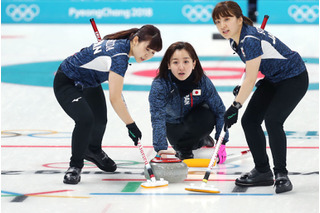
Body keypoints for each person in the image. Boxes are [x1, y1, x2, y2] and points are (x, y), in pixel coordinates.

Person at [212, 1, 309, 193]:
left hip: (294, 78)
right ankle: (263, 170)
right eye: (217, 21)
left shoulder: (249, 39)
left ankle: (281, 174)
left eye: (227, 19)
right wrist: (241, 92)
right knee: (249, 121)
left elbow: (250, 78)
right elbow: (252, 70)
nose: (222, 25)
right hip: (274, 79)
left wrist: (235, 105)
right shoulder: (235, 39)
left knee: (273, 120)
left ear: (240, 20)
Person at [54, 25, 163, 184]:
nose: (148, 55)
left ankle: (93, 150)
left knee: (100, 120)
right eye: (147, 49)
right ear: (136, 40)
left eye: (153, 53)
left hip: (89, 82)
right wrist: (130, 125)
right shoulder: (119, 57)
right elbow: (115, 98)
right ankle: (75, 166)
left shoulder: (121, 46)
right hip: (68, 81)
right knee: (85, 119)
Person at [149, 41, 228, 161]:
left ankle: (200, 138)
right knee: (181, 141)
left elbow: (220, 111)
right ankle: (187, 147)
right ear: (168, 65)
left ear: (194, 63)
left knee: (208, 114)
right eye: (175, 62)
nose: (181, 67)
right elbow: (157, 117)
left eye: (186, 61)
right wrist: (161, 149)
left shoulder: (202, 82)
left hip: (196, 121)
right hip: (174, 127)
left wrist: (221, 143)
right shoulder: (160, 85)